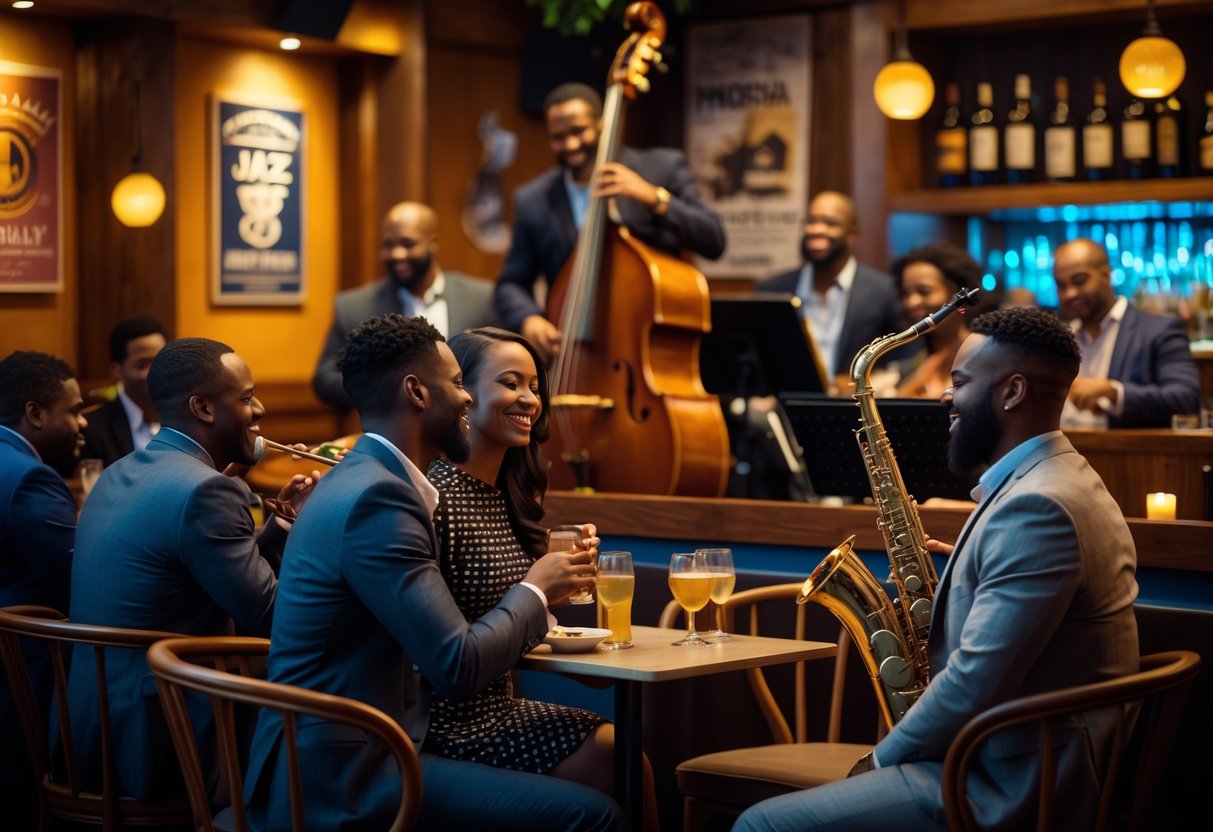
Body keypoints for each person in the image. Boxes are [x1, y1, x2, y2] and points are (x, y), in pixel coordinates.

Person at [735, 307, 1139, 831]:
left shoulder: (1038, 507)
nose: (945, 397)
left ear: (1012, 393)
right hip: (1007, 759)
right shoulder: (1059, 477)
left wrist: (878, 759)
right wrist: (970, 568)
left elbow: (972, 682)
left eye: (960, 382)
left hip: (1011, 787)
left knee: (758, 826)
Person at [245, 314, 625, 831]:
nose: (466, 398)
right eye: (457, 384)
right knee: (596, 815)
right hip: (348, 773)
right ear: (417, 392)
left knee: (613, 761)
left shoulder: (364, 478)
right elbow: (457, 666)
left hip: (354, 746)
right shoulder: (380, 499)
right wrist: (535, 590)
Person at [427, 327, 657, 827]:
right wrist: (538, 586)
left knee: (626, 758)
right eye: (511, 383)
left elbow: (520, 618)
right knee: (621, 760)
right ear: (464, 394)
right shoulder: (437, 498)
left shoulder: (503, 494)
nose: (529, 399)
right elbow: (446, 647)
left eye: (534, 385)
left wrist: (562, 586)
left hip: (497, 711)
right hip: (448, 726)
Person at [68, 337, 317, 800]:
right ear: (203, 407)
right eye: (245, 398)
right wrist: (318, 533)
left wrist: (282, 524)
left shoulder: (121, 469)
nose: (259, 408)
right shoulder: (207, 491)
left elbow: (215, 574)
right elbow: (271, 616)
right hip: (163, 734)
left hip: (87, 724)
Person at [495, 82, 726, 363]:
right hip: (574, 358)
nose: (570, 144)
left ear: (602, 125)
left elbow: (714, 239)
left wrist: (653, 197)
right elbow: (511, 282)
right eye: (558, 137)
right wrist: (528, 318)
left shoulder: (662, 167)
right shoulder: (533, 199)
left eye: (579, 131)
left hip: (648, 353)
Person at [0, 350, 87, 827]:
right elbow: (81, 581)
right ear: (34, 413)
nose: (82, 424)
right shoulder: (30, 477)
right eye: (73, 411)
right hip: (27, 678)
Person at [313, 201, 499, 407]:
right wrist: (383, 389)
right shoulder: (354, 306)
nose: (396, 254)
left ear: (433, 243)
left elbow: (502, 368)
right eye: (388, 245)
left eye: (407, 244)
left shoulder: (482, 298)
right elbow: (324, 379)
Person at [755, 191, 902, 392]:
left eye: (830, 223)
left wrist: (866, 384)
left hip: (853, 412)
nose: (817, 230)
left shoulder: (884, 291)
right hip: (783, 410)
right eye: (811, 221)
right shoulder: (772, 290)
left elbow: (905, 360)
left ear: (853, 234)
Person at [1053, 238, 1200, 428]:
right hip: (1057, 452)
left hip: (1125, 454)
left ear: (1106, 276)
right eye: (1061, 285)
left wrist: (1113, 392)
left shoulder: (1160, 331)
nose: (1069, 293)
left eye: (1079, 281)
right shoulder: (1058, 338)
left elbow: (1187, 399)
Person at [891, 242, 982, 399]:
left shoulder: (981, 352)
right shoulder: (914, 359)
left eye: (924, 291)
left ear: (959, 295)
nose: (911, 302)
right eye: (906, 294)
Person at [81, 315, 168, 466]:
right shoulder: (92, 430)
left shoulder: (187, 419)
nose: (154, 372)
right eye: (141, 365)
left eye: (160, 361)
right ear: (117, 371)